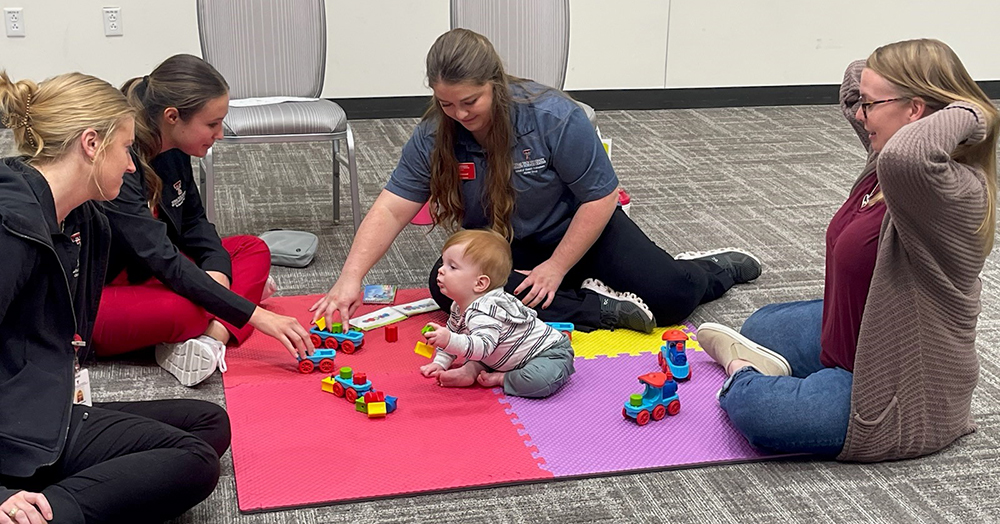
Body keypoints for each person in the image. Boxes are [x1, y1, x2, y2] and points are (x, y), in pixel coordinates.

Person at [312, 28, 761, 335]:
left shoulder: (552, 117)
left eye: (470, 101)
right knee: (448, 288)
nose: (460, 115)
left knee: (671, 301)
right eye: (446, 104)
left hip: (583, 228)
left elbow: (601, 198)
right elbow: (393, 206)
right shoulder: (435, 132)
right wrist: (351, 278)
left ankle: (708, 269)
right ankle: (597, 308)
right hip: (506, 243)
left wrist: (557, 266)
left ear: (496, 83)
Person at [696, 39, 998, 462]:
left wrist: (973, 109)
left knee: (757, 411)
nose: (859, 113)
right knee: (760, 325)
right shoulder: (885, 158)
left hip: (901, 386)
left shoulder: (948, 188)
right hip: (864, 330)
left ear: (915, 111)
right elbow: (854, 81)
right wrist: (897, 91)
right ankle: (792, 371)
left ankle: (743, 374)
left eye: (872, 105)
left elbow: (910, 155)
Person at [0, 71, 231, 523]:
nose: (131, 166)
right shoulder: (11, 228)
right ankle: (41, 514)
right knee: (195, 460)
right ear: (91, 143)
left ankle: (41, 486)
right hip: (11, 431)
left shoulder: (79, 217)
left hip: (34, 406)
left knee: (210, 423)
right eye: (126, 148)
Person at [91, 54, 311, 387]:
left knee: (252, 249)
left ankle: (211, 339)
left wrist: (218, 274)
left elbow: (194, 222)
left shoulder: (174, 147)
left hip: (153, 272)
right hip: (103, 294)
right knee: (185, 309)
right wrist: (253, 312)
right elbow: (162, 259)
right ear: (172, 117)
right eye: (212, 124)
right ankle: (224, 310)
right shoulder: (120, 164)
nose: (219, 134)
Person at [420, 229, 575, 398]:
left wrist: (449, 340)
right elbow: (456, 334)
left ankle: (503, 377)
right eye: (443, 263)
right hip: (501, 352)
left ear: (480, 283)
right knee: (476, 350)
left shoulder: (486, 310)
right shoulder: (458, 306)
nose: (441, 270)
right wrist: (440, 362)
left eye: (452, 267)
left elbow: (482, 347)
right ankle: (472, 370)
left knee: (538, 382)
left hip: (548, 353)